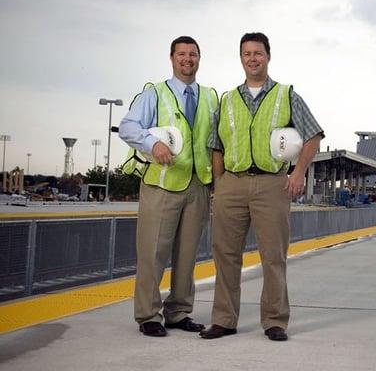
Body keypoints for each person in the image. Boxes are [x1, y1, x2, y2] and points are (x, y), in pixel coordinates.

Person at [200, 32, 324, 341]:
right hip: (233, 183)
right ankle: (224, 320)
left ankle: (275, 321)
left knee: (273, 255)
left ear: (268, 56)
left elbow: (314, 136)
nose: (252, 58)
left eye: (258, 53)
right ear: (240, 58)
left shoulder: (286, 95)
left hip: (272, 185)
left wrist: (298, 173)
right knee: (225, 254)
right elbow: (216, 146)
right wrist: (220, 184)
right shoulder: (227, 100)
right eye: (246, 53)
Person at [119, 36, 218, 337]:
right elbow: (127, 126)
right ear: (172, 58)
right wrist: (153, 143)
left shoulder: (211, 97)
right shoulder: (155, 94)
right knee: (152, 253)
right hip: (162, 185)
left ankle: (179, 312)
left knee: (188, 256)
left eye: (193, 54)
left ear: (199, 58)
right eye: (182, 54)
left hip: (198, 186)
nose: (188, 59)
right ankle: (148, 315)